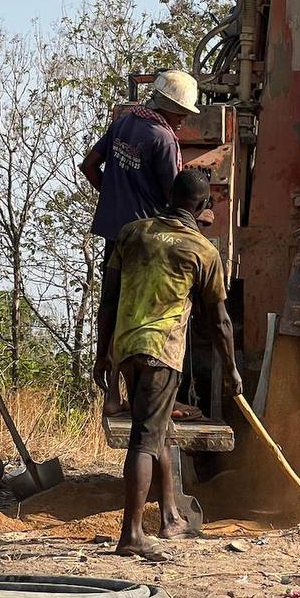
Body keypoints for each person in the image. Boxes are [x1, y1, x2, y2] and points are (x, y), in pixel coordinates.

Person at [94, 167, 242, 559]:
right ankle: (132, 534)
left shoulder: (131, 233)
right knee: (145, 438)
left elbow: (108, 301)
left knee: (159, 427)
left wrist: (102, 354)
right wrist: (231, 369)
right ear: (202, 206)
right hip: (162, 352)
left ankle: (171, 516)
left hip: (127, 348)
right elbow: (221, 322)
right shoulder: (202, 251)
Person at [82, 68, 200, 412]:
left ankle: (111, 393)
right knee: (147, 317)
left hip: (115, 232)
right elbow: (175, 197)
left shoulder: (125, 123)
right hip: (148, 244)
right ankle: (152, 398)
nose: (182, 121)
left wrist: (113, 198)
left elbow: (89, 165)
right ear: (169, 108)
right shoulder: (163, 140)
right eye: (181, 113)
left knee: (112, 306)